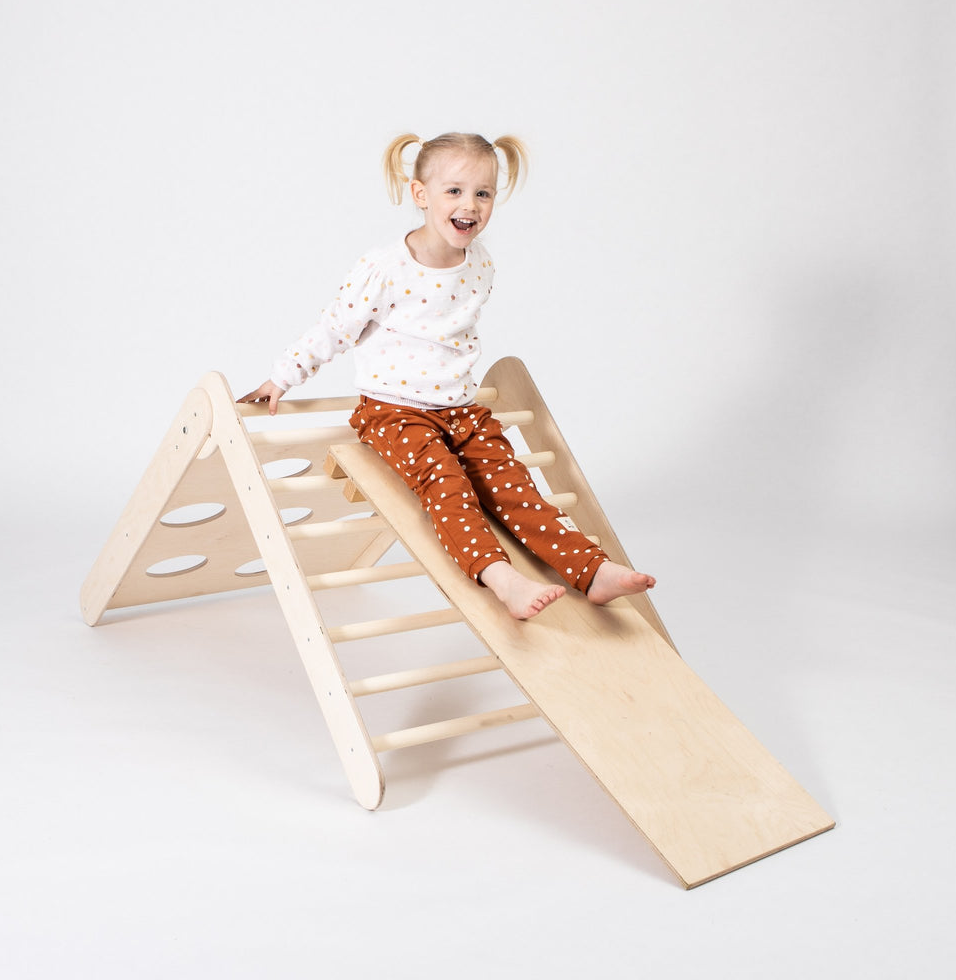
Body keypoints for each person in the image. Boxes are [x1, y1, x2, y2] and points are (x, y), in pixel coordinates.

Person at [239, 131, 655, 619]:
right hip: (394, 412)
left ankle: (592, 569)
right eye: (454, 191)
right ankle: (503, 580)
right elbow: (336, 327)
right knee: (448, 485)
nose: (470, 205)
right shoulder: (384, 268)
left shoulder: (480, 264)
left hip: (460, 411)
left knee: (512, 484)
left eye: (483, 193)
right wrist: (283, 375)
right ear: (421, 195)